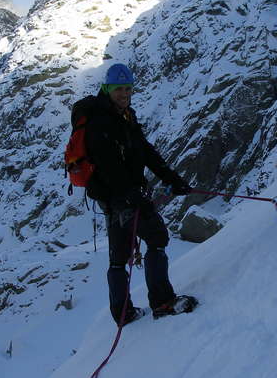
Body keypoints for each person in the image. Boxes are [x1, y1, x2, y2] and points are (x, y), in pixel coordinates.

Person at [81, 63, 197, 326]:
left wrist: (173, 179)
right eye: (118, 89)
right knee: (156, 237)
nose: (124, 93)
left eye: (127, 89)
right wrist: (133, 196)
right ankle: (163, 302)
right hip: (121, 196)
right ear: (107, 89)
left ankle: (123, 315)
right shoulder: (101, 122)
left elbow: (144, 151)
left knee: (118, 259)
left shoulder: (124, 116)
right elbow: (107, 164)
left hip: (113, 199)